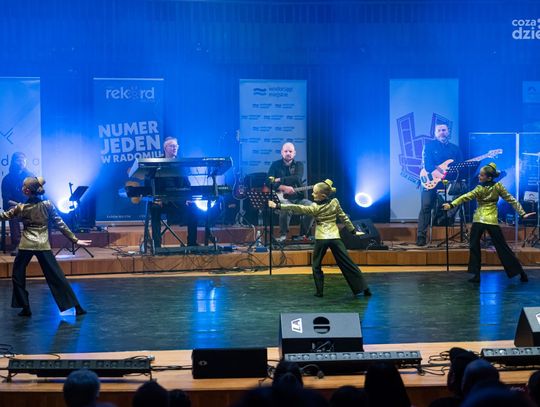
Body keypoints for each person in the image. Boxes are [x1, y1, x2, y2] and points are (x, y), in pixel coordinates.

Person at [0, 177, 90, 317]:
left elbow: (4, 216)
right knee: (56, 276)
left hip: (26, 245)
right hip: (42, 244)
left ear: (27, 191)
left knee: (18, 275)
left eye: (24, 186)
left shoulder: (21, 207)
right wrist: (75, 240)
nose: (22, 188)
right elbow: (60, 224)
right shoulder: (47, 205)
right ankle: (77, 307)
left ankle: (25, 307)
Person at [269, 179, 371, 298]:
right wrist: (353, 231)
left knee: (316, 265)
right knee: (348, 263)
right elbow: (344, 217)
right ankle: (365, 288)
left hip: (322, 238)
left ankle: (319, 292)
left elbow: (297, 207)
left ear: (322, 196)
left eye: (315, 193)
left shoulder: (314, 207)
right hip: (335, 237)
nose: (312, 194)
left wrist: (278, 205)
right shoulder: (335, 202)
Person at [443, 163, 534, 283]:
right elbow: (466, 196)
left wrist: (451, 205)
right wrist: (522, 213)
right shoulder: (494, 187)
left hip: (482, 220)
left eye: (481, 175)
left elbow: (465, 197)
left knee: (477, 247)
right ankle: (519, 273)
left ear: (489, 177)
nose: (479, 177)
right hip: (487, 220)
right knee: (498, 248)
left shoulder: (485, 188)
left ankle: (479, 275)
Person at [417, 123, 463, 246]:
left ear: (448, 132)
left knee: (462, 194)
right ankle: (421, 236)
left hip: (449, 181)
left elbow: (460, 166)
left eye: (444, 130)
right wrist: (440, 170)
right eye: (439, 130)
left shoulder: (455, 149)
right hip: (431, 180)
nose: (442, 132)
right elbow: (428, 165)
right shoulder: (429, 146)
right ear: (435, 133)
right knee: (426, 206)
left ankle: (445, 217)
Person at [150, 137, 198, 248]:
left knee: (193, 208)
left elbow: (187, 184)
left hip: (179, 200)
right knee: (154, 208)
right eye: (172, 146)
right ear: (165, 148)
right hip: (163, 201)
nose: (174, 148)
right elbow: (150, 182)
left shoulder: (181, 164)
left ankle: (192, 244)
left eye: (176, 146)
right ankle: (157, 245)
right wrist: (156, 198)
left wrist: (188, 198)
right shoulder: (157, 163)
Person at [268, 142, 313, 241]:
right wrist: (283, 187)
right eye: (286, 151)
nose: (288, 153)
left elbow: (297, 178)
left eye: (290, 151)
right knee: (285, 206)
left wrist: (279, 179)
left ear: (294, 153)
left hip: (298, 199)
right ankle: (283, 235)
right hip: (282, 199)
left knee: (311, 207)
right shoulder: (275, 165)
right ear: (281, 152)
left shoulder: (299, 165)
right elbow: (269, 182)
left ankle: (303, 235)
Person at [1, 152, 35, 255]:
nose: (21, 162)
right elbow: (7, 199)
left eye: (23, 160)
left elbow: (36, 195)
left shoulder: (31, 177)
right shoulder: (7, 179)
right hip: (14, 206)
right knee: (13, 211)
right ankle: (18, 245)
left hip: (29, 206)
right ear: (13, 162)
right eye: (18, 160)